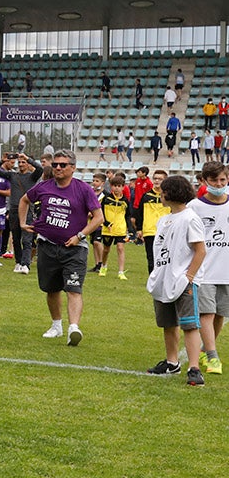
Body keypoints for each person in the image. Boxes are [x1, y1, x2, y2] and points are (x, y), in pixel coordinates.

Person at [19, 151, 102, 347]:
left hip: (74, 248)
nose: (57, 168)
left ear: (73, 167)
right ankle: (56, 326)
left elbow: (98, 218)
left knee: (73, 288)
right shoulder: (43, 187)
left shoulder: (83, 189)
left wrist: (79, 236)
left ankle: (74, 327)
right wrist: (23, 223)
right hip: (47, 245)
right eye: (55, 164)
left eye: (63, 165)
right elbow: (24, 200)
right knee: (51, 289)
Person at [144, 175, 206, 386]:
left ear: (174, 192)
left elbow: (200, 250)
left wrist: (189, 277)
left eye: (164, 190)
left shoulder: (190, 218)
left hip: (184, 280)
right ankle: (172, 362)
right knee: (168, 323)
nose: (160, 194)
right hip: (164, 278)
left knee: (189, 324)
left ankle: (194, 368)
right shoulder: (163, 220)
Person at [189, 162, 228, 376]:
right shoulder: (194, 207)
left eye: (222, 180)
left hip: (226, 270)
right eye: (214, 181)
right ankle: (213, 356)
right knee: (207, 312)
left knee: (220, 313)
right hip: (204, 271)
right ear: (204, 181)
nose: (219, 184)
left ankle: (205, 349)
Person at [0, 153, 44, 274]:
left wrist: (28, 158)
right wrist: (2, 161)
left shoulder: (32, 177)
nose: (21, 164)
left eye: (23, 162)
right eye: (19, 162)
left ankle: (26, 264)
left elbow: (40, 169)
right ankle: (18, 262)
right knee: (15, 238)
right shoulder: (13, 175)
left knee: (26, 239)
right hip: (14, 209)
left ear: (27, 165)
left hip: (28, 209)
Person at [97, 174, 134, 280]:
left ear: (123, 187)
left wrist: (130, 229)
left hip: (120, 228)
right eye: (114, 186)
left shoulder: (125, 201)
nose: (116, 188)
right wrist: (106, 223)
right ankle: (103, 266)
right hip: (108, 229)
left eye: (119, 186)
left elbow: (127, 215)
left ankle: (121, 271)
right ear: (111, 186)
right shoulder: (106, 198)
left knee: (120, 247)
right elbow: (101, 212)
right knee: (106, 249)